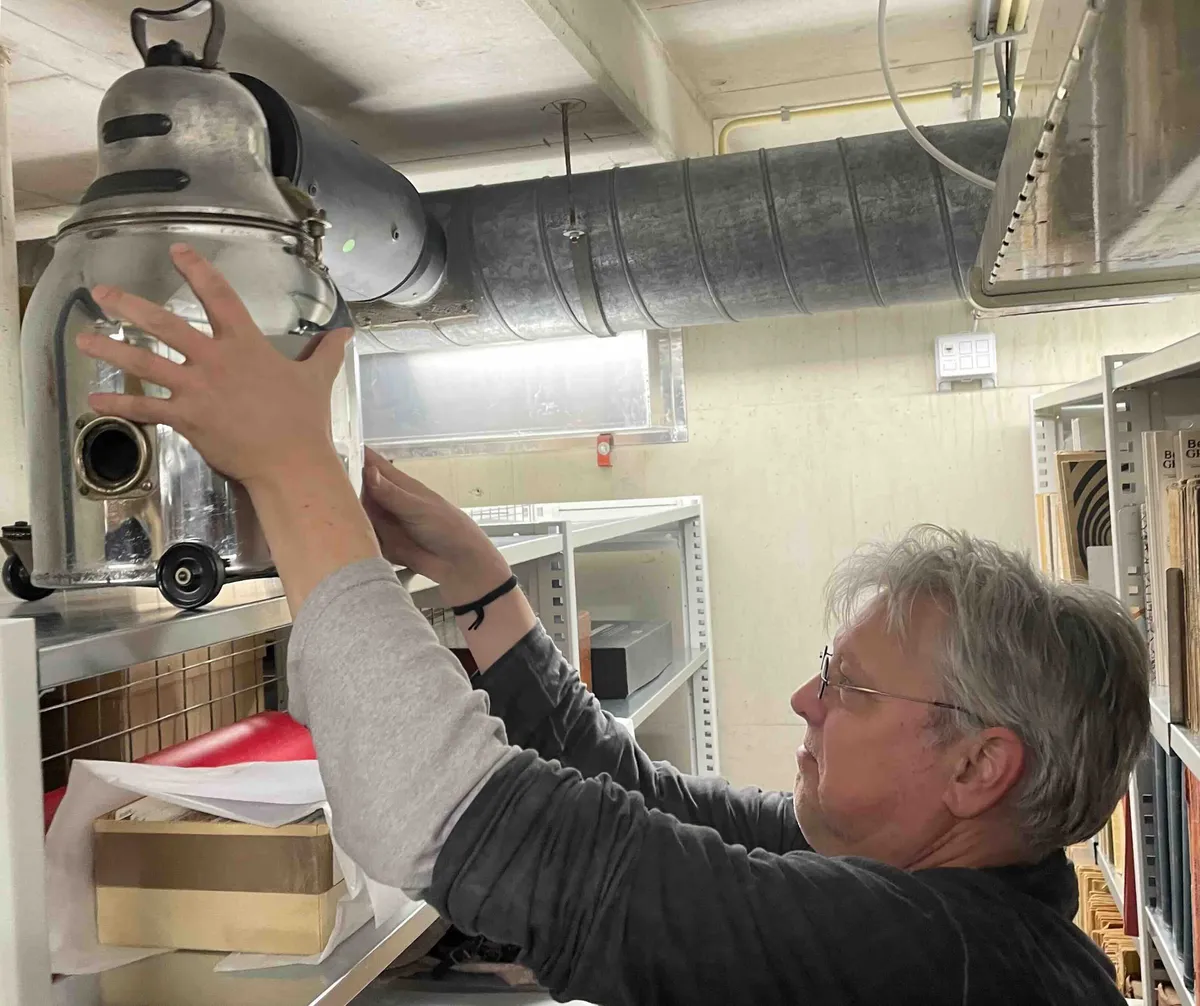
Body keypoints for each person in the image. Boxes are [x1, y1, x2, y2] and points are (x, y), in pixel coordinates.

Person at [77, 245, 1150, 1005]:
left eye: (850, 688)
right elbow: (641, 801)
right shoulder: (934, 882)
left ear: (978, 767)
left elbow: (454, 818)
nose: (804, 700)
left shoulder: (939, 963)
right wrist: (480, 583)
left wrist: (291, 469)